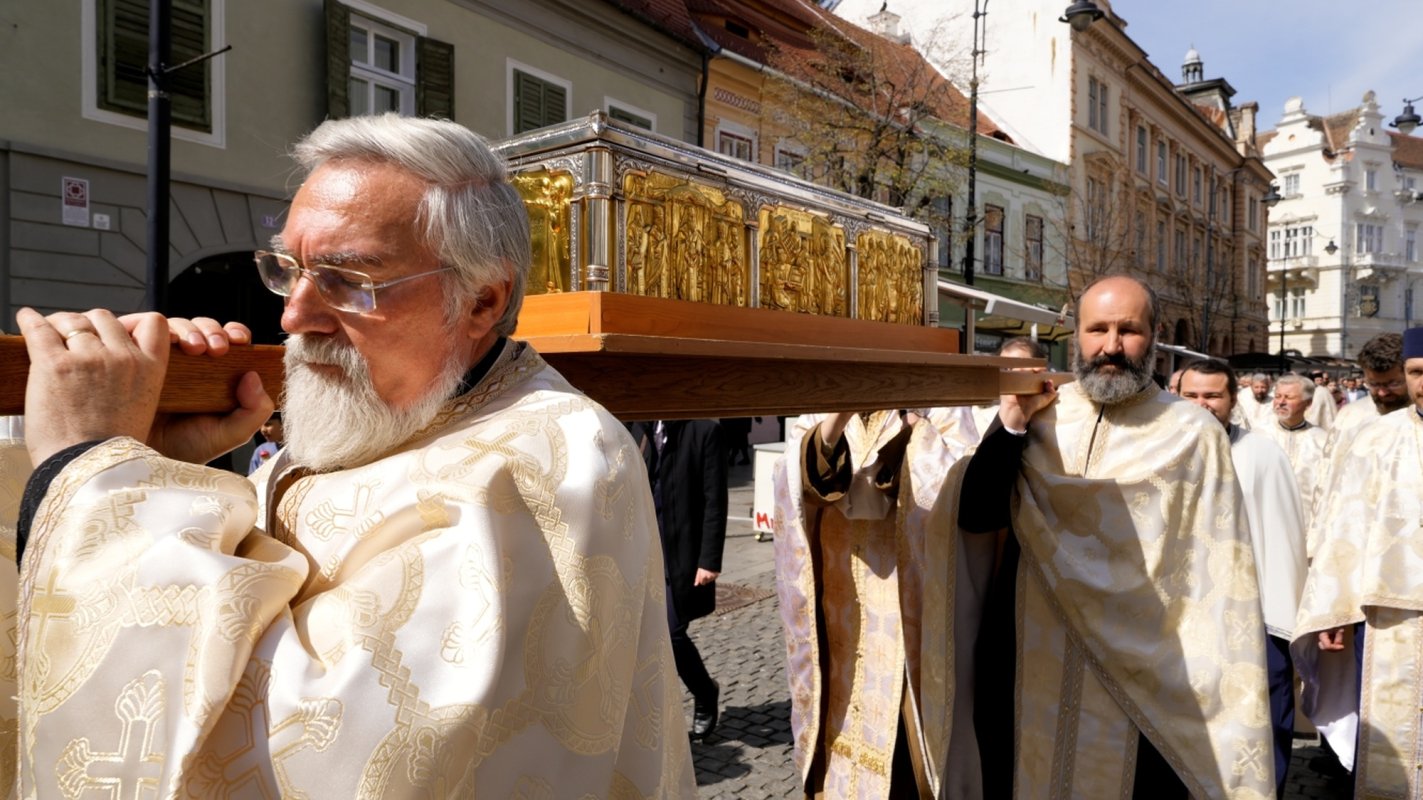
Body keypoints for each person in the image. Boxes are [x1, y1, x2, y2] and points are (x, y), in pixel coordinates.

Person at [9, 114, 694, 797]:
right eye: (288, 270)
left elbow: (330, 747)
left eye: (345, 279)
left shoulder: (547, 460)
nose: (292, 316)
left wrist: (91, 472)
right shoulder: (379, 415)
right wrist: (164, 466)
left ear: (483, 299)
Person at [953, 275, 1274, 798]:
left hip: (1142, 673)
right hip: (1027, 658)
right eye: (1096, 329)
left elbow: (1221, 573)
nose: (1110, 346)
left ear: (1155, 334)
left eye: (1128, 330)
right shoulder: (1040, 415)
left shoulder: (1193, 433)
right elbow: (977, 515)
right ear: (1074, 333)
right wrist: (1009, 428)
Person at [772, 404, 978, 798]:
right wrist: (838, 417)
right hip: (837, 604)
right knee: (834, 730)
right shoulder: (824, 400)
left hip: (906, 614)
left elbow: (960, 484)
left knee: (905, 754)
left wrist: (914, 436)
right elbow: (793, 478)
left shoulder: (939, 401)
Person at [1293, 326, 1423, 797]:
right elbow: (1344, 524)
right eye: (1415, 373)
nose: (1417, 384)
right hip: (1383, 616)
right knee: (1383, 739)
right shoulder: (1373, 436)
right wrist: (1333, 608)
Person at [1179, 359, 1307, 797]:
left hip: (1252, 623)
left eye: (1212, 395)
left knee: (1262, 732)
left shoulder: (1262, 454)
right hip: (1180, 625)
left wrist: (1283, 629)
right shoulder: (1157, 451)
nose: (1201, 405)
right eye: (1191, 395)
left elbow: (1285, 542)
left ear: (1233, 400)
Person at [630, 419, 728, 741]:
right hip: (644, 550)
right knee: (642, 635)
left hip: (682, 556)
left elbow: (715, 500)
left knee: (670, 632)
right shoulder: (635, 427)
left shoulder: (704, 431)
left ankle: (704, 692)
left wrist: (709, 560)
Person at [1258, 374, 1329, 544]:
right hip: (1263, 525)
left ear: (1308, 403)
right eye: (1277, 396)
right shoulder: (1258, 435)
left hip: (1304, 527)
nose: (1280, 402)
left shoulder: (1322, 441)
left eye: (1288, 397)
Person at [971, 336, 1047, 436]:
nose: (1009, 374)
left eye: (1017, 366)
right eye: (1005, 369)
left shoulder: (1056, 413)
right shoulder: (983, 417)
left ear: (1038, 370)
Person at [247, 410, 284, 475]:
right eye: (260, 425)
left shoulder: (298, 449)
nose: (263, 430)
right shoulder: (261, 450)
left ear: (283, 424)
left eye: (268, 424)